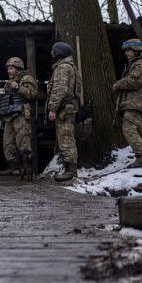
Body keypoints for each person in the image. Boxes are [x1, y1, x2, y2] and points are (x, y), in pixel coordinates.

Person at [113, 38, 142, 168]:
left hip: (136, 102)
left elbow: (133, 81)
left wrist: (117, 85)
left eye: (129, 50)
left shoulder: (141, 64)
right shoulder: (137, 64)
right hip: (135, 102)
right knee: (137, 128)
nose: (126, 53)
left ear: (137, 51)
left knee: (129, 127)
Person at [0, 57, 39, 180]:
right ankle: (13, 168)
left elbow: (32, 94)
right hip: (9, 116)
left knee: (23, 142)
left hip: (21, 114)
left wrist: (17, 87)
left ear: (18, 69)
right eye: (8, 69)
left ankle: (26, 170)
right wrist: (1, 94)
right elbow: (9, 99)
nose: (9, 71)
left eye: (11, 68)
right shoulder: (9, 82)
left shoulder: (26, 79)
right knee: (8, 143)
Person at [46, 42, 80, 182]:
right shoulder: (70, 67)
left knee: (65, 139)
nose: (52, 54)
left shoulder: (63, 68)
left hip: (63, 109)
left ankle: (70, 171)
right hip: (68, 107)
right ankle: (69, 169)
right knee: (67, 137)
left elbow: (59, 89)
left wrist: (53, 108)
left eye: (53, 52)